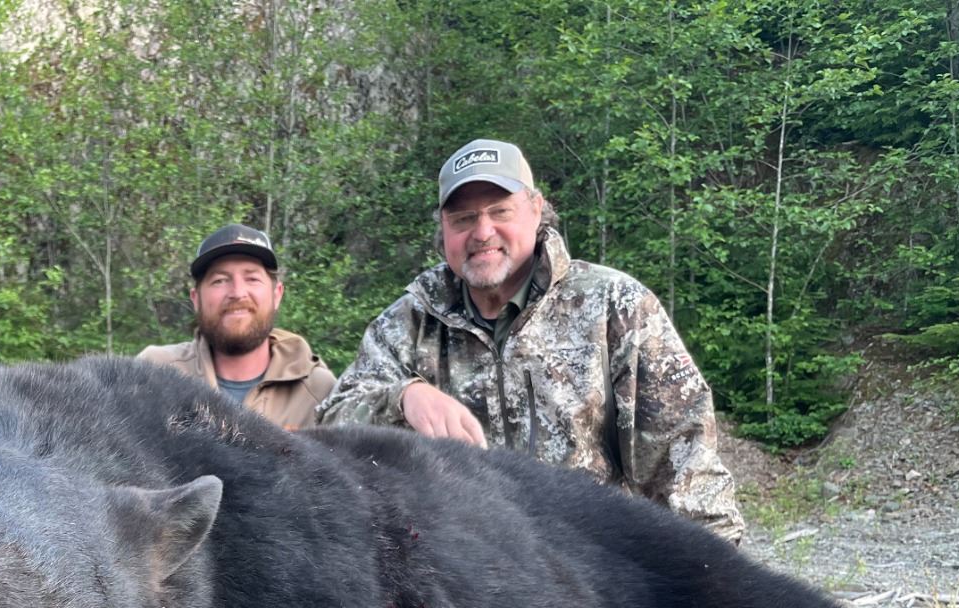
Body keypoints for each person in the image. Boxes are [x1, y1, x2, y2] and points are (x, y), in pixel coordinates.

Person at [317, 140, 744, 541]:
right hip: (457, 574)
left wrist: (713, 578)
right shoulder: (409, 321)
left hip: (589, 571)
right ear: (443, 230)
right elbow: (332, 428)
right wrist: (403, 398)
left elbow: (684, 465)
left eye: (500, 211)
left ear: (537, 210)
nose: (482, 232)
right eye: (463, 219)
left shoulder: (614, 307)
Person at [138, 224, 335, 430]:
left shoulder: (320, 390)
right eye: (220, 280)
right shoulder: (153, 373)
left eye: (252, 278)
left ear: (277, 294)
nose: (238, 293)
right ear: (196, 299)